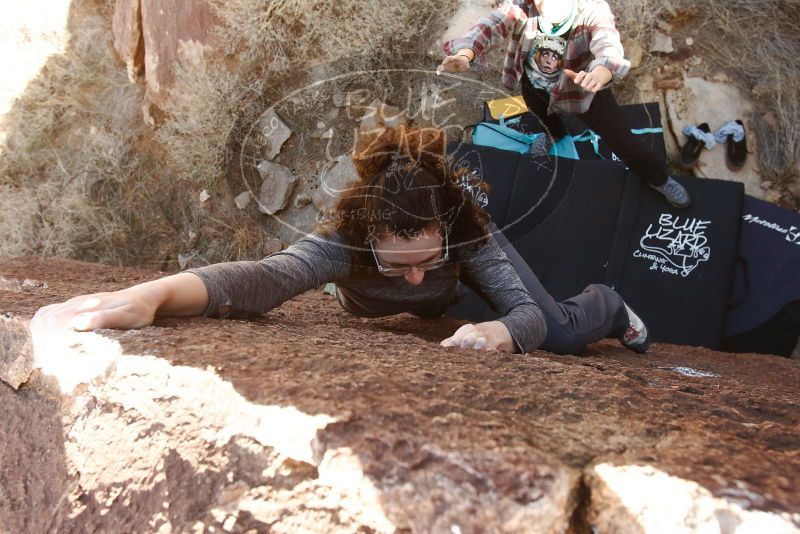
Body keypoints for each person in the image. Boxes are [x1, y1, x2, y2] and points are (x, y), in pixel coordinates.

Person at [31, 126, 650, 355]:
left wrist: (504, 332)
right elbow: (265, 279)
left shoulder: (464, 234)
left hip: (461, 288)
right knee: (438, 305)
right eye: (399, 265)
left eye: (425, 259)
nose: (414, 273)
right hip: (415, 305)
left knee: (558, 334)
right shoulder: (342, 243)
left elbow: (523, 313)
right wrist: (154, 296)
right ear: (369, 238)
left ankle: (610, 303)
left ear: (443, 230)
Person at [437, 0, 692, 209]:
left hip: (584, 91)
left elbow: (608, 44)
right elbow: (490, 26)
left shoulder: (592, 10)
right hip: (536, 86)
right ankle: (554, 136)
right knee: (546, 119)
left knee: (625, 143)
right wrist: (465, 54)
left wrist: (599, 73)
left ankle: (659, 179)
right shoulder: (522, 6)